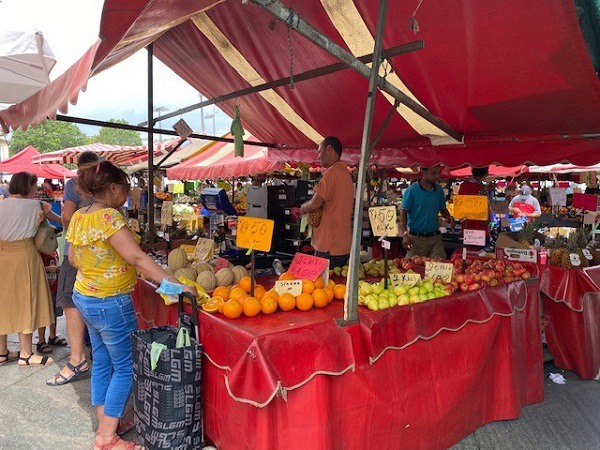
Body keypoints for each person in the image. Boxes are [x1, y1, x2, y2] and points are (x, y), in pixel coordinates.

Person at [67, 160, 197, 450]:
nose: (127, 194)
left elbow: (73, 259)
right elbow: (137, 258)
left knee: (103, 362)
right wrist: (177, 285)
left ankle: (107, 422)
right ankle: (106, 438)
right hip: (110, 302)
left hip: (85, 297)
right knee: (126, 367)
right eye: (126, 188)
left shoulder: (79, 216)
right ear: (114, 187)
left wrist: (99, 265)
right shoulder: (109, 217)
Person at [48, 151, 100, 386]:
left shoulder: (74, 185)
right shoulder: (105, 185)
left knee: (71, 303)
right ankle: (97, 354)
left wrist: (77, 227)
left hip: (77, 253)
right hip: (103, 255)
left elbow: (67, 216)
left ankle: (77, 360)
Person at [0, 172, 61, 367]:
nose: (36, 190)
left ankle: (2, 352)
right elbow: (61, 221)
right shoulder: (37, 206)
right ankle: (26, 354)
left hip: (2, 255)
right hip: (24, 255)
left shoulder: (1, 204)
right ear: (28, 186)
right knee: (26, 300)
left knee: (2, 301)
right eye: (34, 187)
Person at [300, 136, 354, 267]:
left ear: (329, 149)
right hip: (343, 245)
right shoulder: (346, 174)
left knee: (324, 280)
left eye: (320, 151)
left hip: (328, 245)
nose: (318, 156)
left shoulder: (331, 173)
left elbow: (315, 203)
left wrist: (303, 208)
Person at [399, 165, 455, 259]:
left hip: (435, 238)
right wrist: (404, 234)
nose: (437, 176)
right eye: (433, 173)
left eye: (438, 173)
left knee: (440, 266)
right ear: (423, 171)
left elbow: (443, 209)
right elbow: (403, 212)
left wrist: (448, 217)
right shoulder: (411, 191)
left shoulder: (439, 190)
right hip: (415, 239)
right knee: (413, 266)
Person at [36, 249, 67, 354]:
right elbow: (35, 267)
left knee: (54, 312)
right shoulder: (38, 251)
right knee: (43, 313)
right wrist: (49, 269)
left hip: (54, 285)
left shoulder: (53, 250)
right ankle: (41, 340)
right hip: (43, 287)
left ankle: (52, 336)